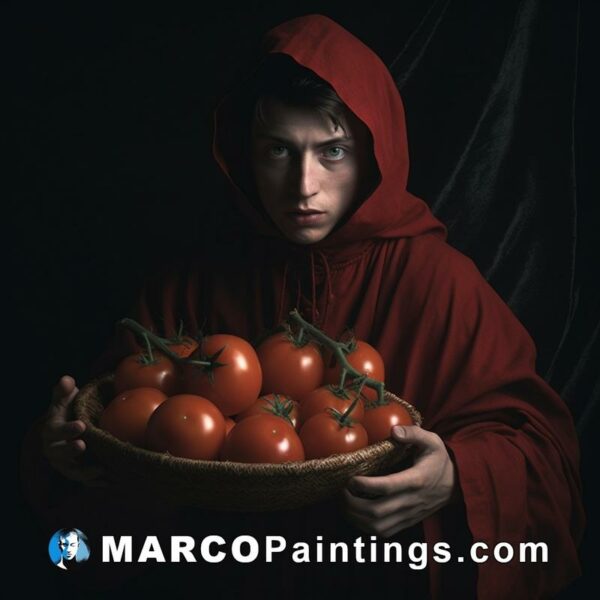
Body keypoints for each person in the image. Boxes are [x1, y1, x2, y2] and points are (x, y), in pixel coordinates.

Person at [26, 13, 583, 598]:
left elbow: (542, 448)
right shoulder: (188, 284)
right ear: (245, 153)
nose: (303, 186)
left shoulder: (439, 283)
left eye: (333, 151)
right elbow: (114, 436)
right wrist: (70, 453)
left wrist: (456, 476)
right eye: (279, 151)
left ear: (373, 153)